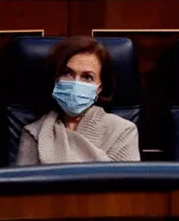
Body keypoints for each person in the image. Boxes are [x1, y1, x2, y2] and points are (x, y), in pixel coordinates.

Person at [15, 36, 141, 165]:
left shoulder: (123, 131)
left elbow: (126, 184)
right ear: (55, 79)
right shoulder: (34, 133)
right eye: (67, 73)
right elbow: (24, 184)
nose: (75, 83)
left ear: (99, 88)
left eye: (87, 77)